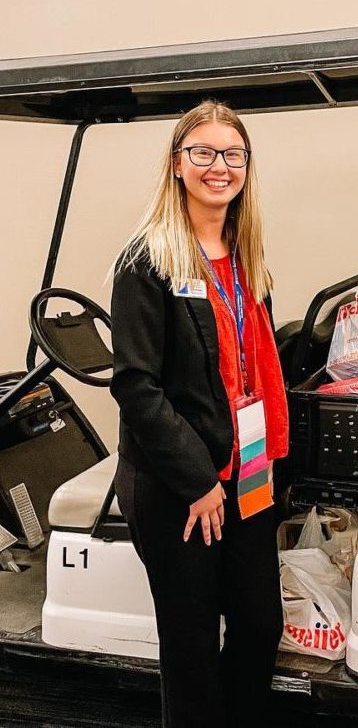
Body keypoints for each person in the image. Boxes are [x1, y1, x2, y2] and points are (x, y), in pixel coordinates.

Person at [110, 100, 288, 727]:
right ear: (177, 163)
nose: (220, 166)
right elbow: (137, 387)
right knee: (190, 648)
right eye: (204, 153)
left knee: (261, 626)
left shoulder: (247, 255)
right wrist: (197, 482)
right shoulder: (147, 261)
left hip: (248, 474)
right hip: (179, 485)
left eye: (233, 154)